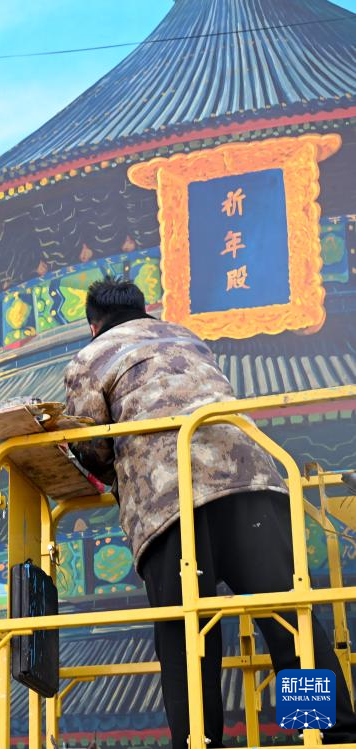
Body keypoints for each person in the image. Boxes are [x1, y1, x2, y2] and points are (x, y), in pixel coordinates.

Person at [62, 276, 356, 747]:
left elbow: (92, 444)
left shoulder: (92, 356)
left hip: (170, 501)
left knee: (188, 638)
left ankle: (200, 742)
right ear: (144, 310)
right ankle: (331, 733)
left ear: (93, 325)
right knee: (289, 622)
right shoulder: (187, 337)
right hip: (251, 482)